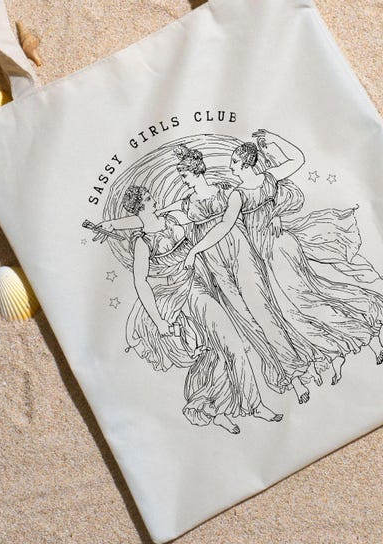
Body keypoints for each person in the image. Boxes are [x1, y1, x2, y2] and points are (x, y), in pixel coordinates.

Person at [220, 130, 383, 384]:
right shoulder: (266, 179)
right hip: (277, 247)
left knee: (304, 304)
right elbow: (297, 159)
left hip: (275, 251)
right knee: (307, 300)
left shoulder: (239, 194)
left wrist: (273, 137)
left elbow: (225, 226)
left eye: (234, 164)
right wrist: (272, 138)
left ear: (247, 163)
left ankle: (364, 337)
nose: (232, 170)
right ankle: (346, 348)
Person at [98, 184, 282, 434]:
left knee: (218, 350)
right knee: (232, 342)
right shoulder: (142, 243)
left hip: (206, 278)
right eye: (150, 198)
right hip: (187, 292)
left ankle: (216, 409)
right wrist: (159, 320)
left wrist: (112, 223)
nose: (155, 199)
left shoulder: (170, 218)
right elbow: (140, 282)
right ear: (141, 207)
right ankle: (254, 404)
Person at [165, 144, 313, 404]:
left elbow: (225, 225)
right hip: (215, 262)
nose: (183, 181)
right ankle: (284, 376)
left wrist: (195, 250)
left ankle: (297, 373)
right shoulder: (186, 203)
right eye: (181, 178)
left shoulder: (227, 192)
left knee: (263, 311)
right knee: (246, 320)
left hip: (239, 251)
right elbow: (151, 219)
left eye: (185, 176)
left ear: (197, 172)